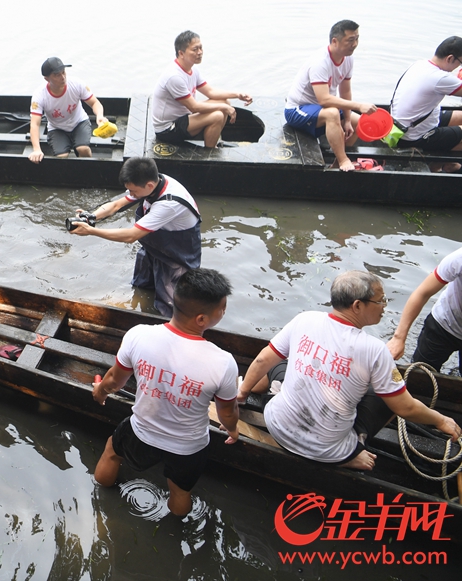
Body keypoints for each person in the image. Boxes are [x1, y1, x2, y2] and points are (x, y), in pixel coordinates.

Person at [237, 271, 460, 471]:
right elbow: (406, 407)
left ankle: (246, 389)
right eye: (380, 300)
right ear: (357, 306)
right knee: (393, 397)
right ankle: (352, 449)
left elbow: (262, 360)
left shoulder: (304, 320)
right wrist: (440, 420)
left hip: (278, 425)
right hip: (328, 451)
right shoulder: (376, 351)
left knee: (275, 361)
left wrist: (242, 393)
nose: (385, 306)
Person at [92, 268, 240, 517]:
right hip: (189, 447)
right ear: (202, 319)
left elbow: (114, 380)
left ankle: (101, 495)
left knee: (112, 451)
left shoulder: (138, 335)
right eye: (222, 309)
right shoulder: (223, 362)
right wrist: (233, 429)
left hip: (141, 432)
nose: (224, 312)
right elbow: (227, 413)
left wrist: (100, 393)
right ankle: (176, 526)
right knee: (181, 491)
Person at [69, 156, 201, 317]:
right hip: (154, 248)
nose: (131, 194)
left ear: (149, 185)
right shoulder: (151, 183)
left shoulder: (169, 203)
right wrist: (91, 217)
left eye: (133, 191)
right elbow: (117, 205)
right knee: (141, 288)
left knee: (171, 308)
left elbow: (131, 236)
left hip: (176, 257)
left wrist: (91, 231)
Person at [284, 20, 377, 171]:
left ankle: (336, 160)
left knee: (359, 122)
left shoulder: (348, 58)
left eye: (357, 39)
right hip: (297, 110)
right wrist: (359, 105)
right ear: (335, 41)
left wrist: (347, 119)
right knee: (332, 113)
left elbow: (345, 91)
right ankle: (343, 160)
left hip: (321, 109)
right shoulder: (320, 62)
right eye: (350, 40)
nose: (355, 44)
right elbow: (324, 99)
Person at [152, 31, 253, 148]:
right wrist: (224, 108)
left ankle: (212, 141)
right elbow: (194, 107)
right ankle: (209, 153)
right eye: (195, 49)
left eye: (200, 48)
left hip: (185, 117)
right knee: (218, 115)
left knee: (225, 101)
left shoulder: (192, 69)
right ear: (181, 53)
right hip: (168, 129)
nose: (200, 52)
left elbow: (210, 92)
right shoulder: (174, 77)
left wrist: (237, 94)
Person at [390, 36, 462, 173]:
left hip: (402, 129)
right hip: (413, 138)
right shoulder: (440, 77)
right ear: (450, 58)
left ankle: (442, 164)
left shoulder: (420, 64)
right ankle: (448, 166)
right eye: (460, 63)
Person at [387, 246, 462, 371]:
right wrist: (399, 338)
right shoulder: (458, 259)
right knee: (422, 373)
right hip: (444, 324)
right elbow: (422, 293)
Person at [28, 57, 108, 163]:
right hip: (57, 128)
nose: (63, 77)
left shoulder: (76, 84)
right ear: (47, 79)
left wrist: (100, 116)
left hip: (79, 122)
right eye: (57, 75)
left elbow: (94, 103)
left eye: (63, 72)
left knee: (82, 149)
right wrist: (37, 149)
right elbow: (35, 124)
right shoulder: (40, 95)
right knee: (62, 157)